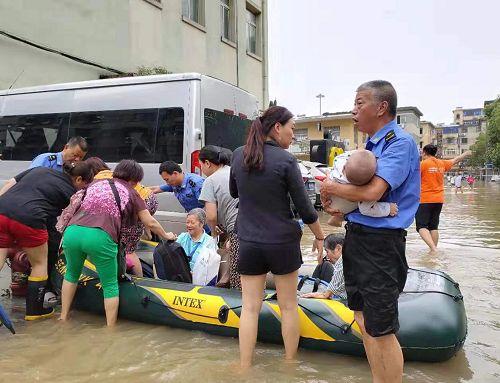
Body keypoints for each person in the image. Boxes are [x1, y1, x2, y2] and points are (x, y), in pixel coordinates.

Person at [320, 80, 419, 383]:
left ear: (381, 107)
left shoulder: (398, 143)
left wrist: (332, 187)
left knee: (381, 328)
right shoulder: (372, 146)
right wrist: (340, 208)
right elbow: (360, 196)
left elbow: (374, 191)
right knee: (363, 319)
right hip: (359, 238)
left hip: (381, 244)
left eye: (360, 102)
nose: (354, 110)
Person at [230, 106, 325, 368]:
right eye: (293, 128)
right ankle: (289, 365)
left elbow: (234, 191)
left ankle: (244, 366)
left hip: (248, 241)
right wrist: (319, 237)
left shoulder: (239, 155)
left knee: (249, 308)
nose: (294, 134)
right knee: (288, 307)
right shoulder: (286, 161)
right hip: (282, 242)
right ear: (277, 128)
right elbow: (306, 208)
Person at [59, 160, 176, 326]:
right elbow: (149, 222)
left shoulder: (96, 184)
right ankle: (111, 329)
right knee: (110, 284)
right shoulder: (131, 192)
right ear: (134, 180)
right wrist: (166, 235)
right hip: (99, 235)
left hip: (72, 232)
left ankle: (63, 318)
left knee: (71, 275)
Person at [0, 162, 93, 320]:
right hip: (30, 217)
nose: (84, 189)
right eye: (85, 184)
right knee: (39, 264)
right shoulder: (71, 193)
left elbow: (10, 183)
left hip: (2, 210)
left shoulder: (40, 170)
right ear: (78, 179)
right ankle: (35, 312)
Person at [87, 157, 159, 277]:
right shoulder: (111, 174)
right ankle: (145, 231)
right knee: (132, 232)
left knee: (129, 249)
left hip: (141, 202)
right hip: (149, 198)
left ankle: (138, 280)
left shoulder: (99, 178)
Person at [198, 145, 241, 288]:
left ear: (207, 163)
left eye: (201, 165)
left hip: (238, 228)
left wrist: (214, 234)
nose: (201, 169)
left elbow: (211, 216)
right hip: (255, 224)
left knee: (239, 278)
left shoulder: (210, 181)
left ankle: (240, 306)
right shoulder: (235, 171)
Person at [416, 145, 471, 252]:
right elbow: (456, 160)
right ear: (435, 153)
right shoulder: (441, 163)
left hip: (425, 199)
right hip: (439, 200)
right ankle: (433, 250)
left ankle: (433, 248)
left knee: (421, 226)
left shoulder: (423, 164)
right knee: (433, 226)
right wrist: (466, 153)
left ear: (424, 153)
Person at [326, 149, 398, 226]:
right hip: (340, 204)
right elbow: (365, 210)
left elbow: (347, 155)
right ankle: (339, 217)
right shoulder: (363, 185)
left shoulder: (340, 161)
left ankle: (337, 218)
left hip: (330, 195)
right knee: (360, 199)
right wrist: (388, 209)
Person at [302, 234, 347, 300]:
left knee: (325, 264)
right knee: (324, 264)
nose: (327, 256)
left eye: (327, 251)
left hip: (344, 301)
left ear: (338, 248)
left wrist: (325, 294)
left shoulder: (343, 261)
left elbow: (328, 294)